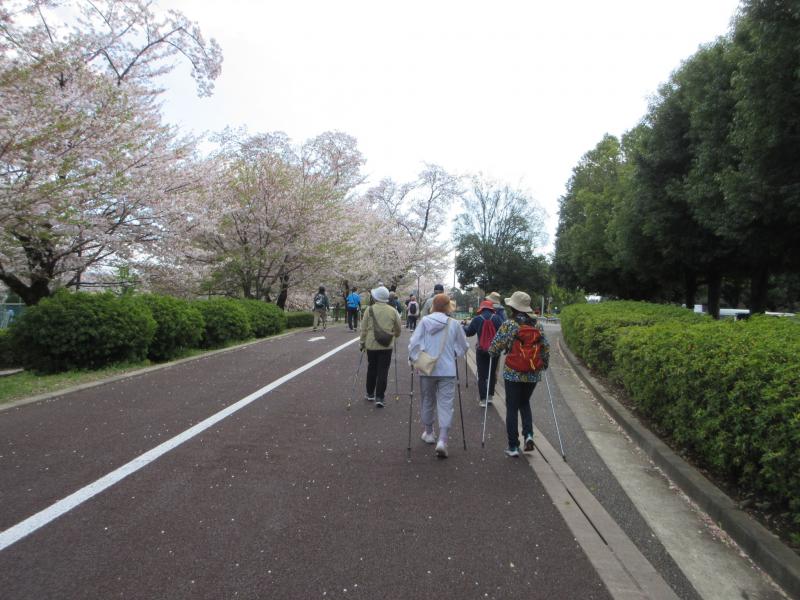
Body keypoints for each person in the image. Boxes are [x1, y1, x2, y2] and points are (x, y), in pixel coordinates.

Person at [486, 291, 550, 458]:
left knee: (512, 407)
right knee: (525, 402)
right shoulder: (537, 325)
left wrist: (493, 353)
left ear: (513, 306)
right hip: (533, 372)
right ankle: (528, 435)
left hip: (513, 372)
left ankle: (513, 446)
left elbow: (494, 347)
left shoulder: (509, 325)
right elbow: (546, 348)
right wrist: (544, 365)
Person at [408, 293, 469, 458]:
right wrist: (454, 354)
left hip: (427, 369)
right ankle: (442, 440)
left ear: (433, 306)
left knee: (427, 399)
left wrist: (414, 359)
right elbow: (464, 346)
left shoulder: (424, 322)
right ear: (448, 307)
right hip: (447, 370)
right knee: (446, 403)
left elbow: (413, 343)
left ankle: (429, 433)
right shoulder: (454, 324)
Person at [360, 286, 402, 407]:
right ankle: (380, 397)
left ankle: (370, 393)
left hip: (371, 345)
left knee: (372, 368)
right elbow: (398, 328)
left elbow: (363, 329)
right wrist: (395, 335)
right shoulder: (392, 310)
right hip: (386, 345)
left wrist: (362, 343)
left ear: (375, 297)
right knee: (383, 370)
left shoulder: (369, 310)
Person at [462, 299, 504, 407]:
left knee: (482, 374)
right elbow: (502, 334)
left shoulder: (477, 319)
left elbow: (469, 332)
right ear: (491, 309)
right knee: (492, 373)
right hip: (494, 350)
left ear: (482, 309)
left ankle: (483, 399)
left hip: (481, 350)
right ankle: (490, 396)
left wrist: (463, 327)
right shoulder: (497, 318)